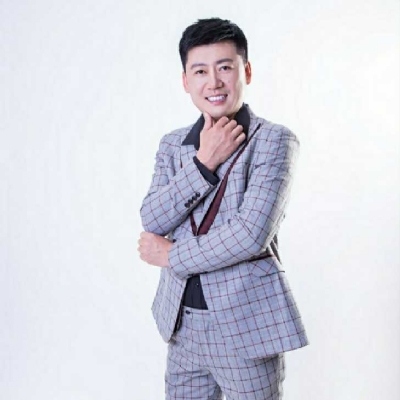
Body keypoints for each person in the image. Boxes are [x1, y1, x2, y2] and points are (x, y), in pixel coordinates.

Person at [138, 17, 309, 400]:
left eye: (225, 68)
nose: (213, 82)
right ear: (186, 81)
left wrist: (171, 255)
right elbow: (152, 218)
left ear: (245, 71)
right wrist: (204, 162)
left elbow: (250, 235)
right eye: (200, 71)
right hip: (182, 325)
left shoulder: (274, 141)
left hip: (246, 325)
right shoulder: (173, 145)